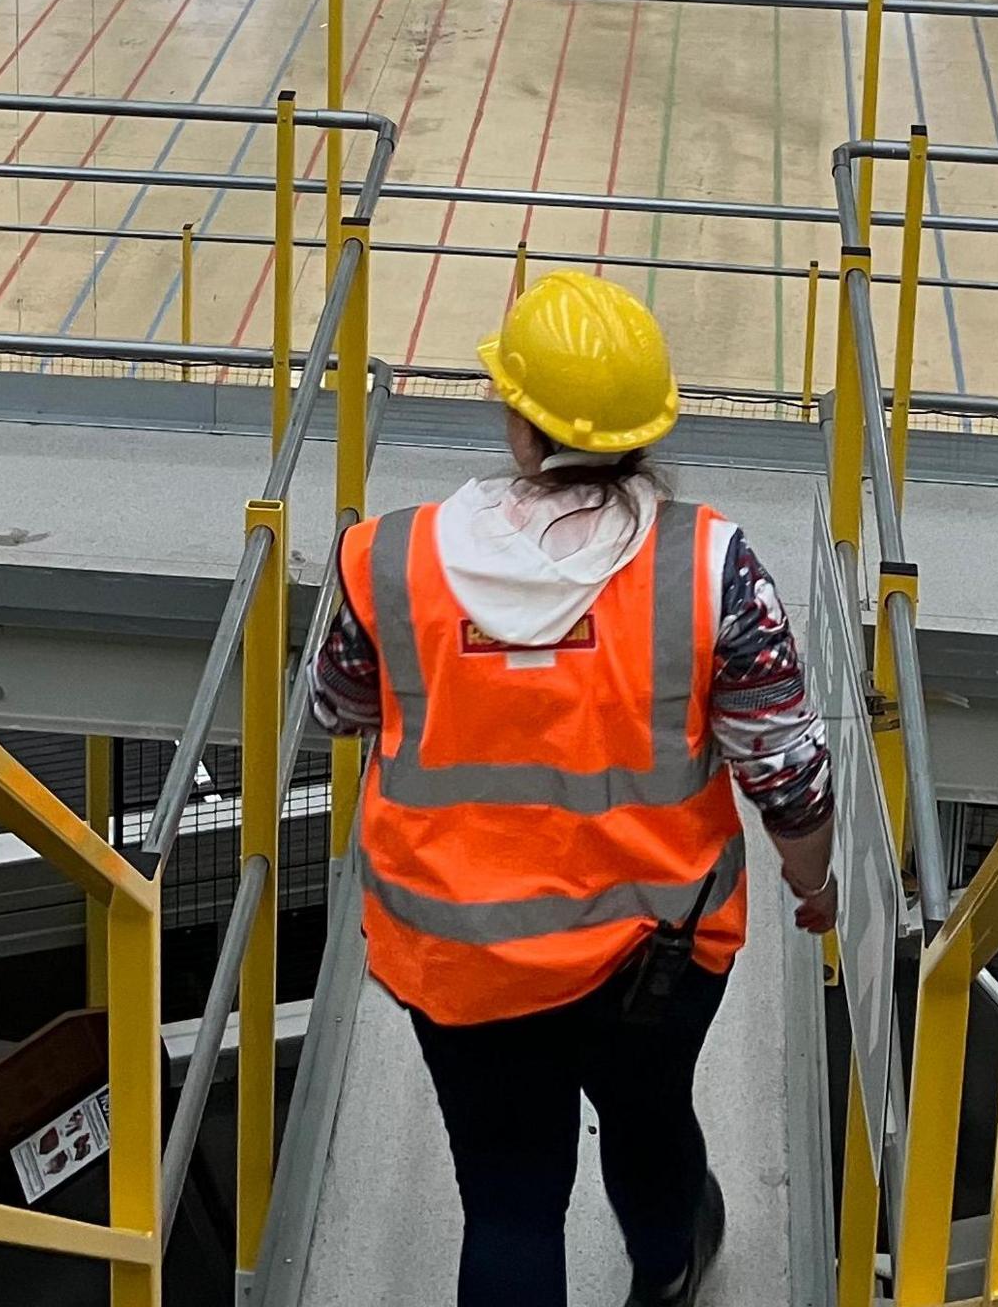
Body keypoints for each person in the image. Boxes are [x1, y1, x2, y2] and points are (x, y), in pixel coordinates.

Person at [315, 271, 836, 1307]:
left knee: (508, 1195)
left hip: (456, 950)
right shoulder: (713, 568)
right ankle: (668, 1269)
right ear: (647, 429)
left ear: (517, 414)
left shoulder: (387, 561)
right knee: (649, 1121)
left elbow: (343, 709)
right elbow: (786, 770)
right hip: (657, 953)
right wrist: (812, 889)